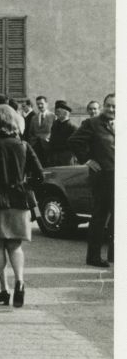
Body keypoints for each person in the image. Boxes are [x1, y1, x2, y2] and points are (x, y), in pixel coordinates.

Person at [0, 105, 45, 308]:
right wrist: (25, 185)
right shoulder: (23, 145)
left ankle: (4, 289)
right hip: (19, 200)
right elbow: (40, 175)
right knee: (15, 246)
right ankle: (20, 281)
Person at [69, 93, 115, 268]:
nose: (111, 109)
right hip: (102, 178)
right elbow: (74, 141)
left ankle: (114, 255)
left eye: (115, 106)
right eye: (108, 105)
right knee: (99, 216)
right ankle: (93, 256)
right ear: (103, 106)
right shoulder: (92, 123)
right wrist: (88, 159)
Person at [26, 94, 55, 167]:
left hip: (48, 148)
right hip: (36, 148)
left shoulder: (53, 116)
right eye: (38, 104)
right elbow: (31, 133)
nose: (40, 106)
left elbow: (55, 132)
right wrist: (33, 143)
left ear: (46, 104)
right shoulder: (34, 118)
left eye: (42, 104)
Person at [46, 100, 77, 166]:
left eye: (59, 112)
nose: (56, 114)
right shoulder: (55, 124)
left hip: (66, 159)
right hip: (54, 158)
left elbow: (74, 145)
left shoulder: (72, 126)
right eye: (56, 112)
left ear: (66, 112)